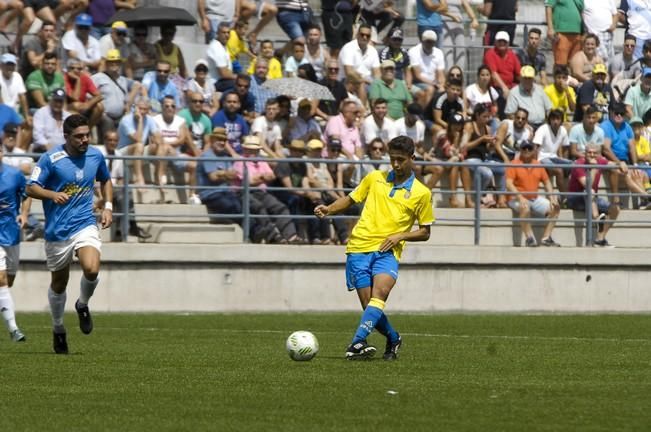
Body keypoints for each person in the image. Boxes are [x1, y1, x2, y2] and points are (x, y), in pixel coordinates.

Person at [314, 135, 433, 360]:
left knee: (381, 293)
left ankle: (357, 341)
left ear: (412, 158)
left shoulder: (422, 193)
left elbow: (425, 231)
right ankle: (393, 337)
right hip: (358, 247)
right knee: (370, 306)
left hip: (387, 251)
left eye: (401, 160)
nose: (396, 164)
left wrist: (401, 236)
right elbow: (351, 199)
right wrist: (329, 209)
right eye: (393, 159)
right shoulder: (374, 178)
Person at [26, 114, 113, 354]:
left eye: (87, 135)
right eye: (79, 136)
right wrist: (52, 195)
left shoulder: (95, 155)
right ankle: (58, 329)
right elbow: (31, 187)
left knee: (92, 269)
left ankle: (82, 304)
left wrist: (107, 206)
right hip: (57, 231)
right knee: (58, 283)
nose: (85, 140)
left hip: (84, 223)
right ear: (66, 137)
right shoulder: (51, 159)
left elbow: (106, 180)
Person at [0, 143, 31, 342]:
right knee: (1, 280)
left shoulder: (14, 174)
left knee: (7, 282)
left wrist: (24, 214)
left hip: (11, 235)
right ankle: (14, 330)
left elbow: (26, 194)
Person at [506, 140, 560, 247]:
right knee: (525, 207)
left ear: (533, 150)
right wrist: (520, 197)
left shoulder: (538, 164)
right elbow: (508, 183)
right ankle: (530, 238)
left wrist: (552, 197)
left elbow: (547, 182)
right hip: (515, 199)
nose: (526, 150)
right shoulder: (514, 164)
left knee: (556, 207)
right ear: (520, 150)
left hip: (533, 198)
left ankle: (546, 238)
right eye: (524, 148)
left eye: (529, 148)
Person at [566, 143, 620, 247]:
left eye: (594, 153)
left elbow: (612, 164)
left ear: (598, 154)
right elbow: (587, 184)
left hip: (591, 199)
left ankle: (600, 239)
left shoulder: (600, 161)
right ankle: (596, 218)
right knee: (590, 190)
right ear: (584, 153)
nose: (592, 155)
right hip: (575, 198)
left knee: (615, 209)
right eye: (589, 152)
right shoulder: (578, 164)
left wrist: (621, 163)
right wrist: (594, 168)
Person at [533, 109, 571, 195]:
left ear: (561, 120)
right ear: (549, 120)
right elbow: (535, 147)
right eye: (553, 119)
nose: (555, 121)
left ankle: (570, 195)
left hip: (554, 157)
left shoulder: (563, 130)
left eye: (558, 119)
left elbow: (565, 148)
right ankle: (565, 197)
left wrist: (564, 161)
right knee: (559, 170)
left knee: (572, 165)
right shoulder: (543, 129)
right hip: (541, 158)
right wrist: (534, 164)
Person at [483, 31, 520, 118]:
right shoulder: (490, 54)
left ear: (508, 43)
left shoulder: (512, 55)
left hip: (510, 86)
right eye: (499, 41)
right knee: (501, 95)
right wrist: (504, 88)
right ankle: (504, 117)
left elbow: (519, 74)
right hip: (495, 87)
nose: (502, 43)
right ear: (495, 42)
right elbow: (493, 74)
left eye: (504, 41)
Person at [409, 30, 445, 109]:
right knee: (430, 89)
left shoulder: (439, 53)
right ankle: (422, 114)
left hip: (433, 83)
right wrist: (434, 83)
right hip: (417, 83)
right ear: (422, 41)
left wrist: (441, 85)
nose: (429, 44)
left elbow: (441, 73)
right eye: (427, 41)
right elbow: (417, 75)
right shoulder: (413, 51)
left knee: (443, 90)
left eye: (432, 42)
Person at [545, 0, 583, 67]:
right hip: (562, 33)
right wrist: (550, 28)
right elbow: (548, 7)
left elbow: (582, 11)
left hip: (578, 34)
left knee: (574, 65)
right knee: (560, 65)